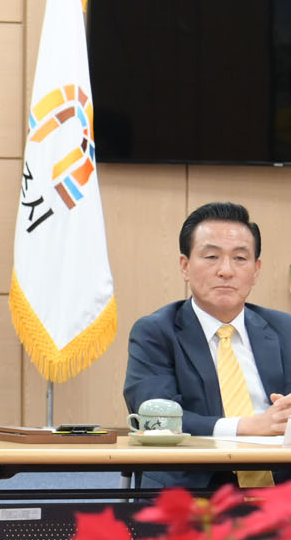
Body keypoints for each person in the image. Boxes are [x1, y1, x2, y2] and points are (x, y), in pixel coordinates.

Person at [124, 201, 291, 490]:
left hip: (281, 492)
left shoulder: (284, 329)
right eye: (211, 256)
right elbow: (155, 420)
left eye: (240, 258)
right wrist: (247, 427)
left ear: (256, 270)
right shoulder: (156, 332)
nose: (226, 270)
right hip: (192, 491)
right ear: (185, 266)